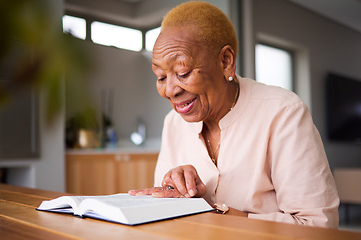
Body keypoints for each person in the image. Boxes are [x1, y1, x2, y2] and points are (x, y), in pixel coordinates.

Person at [128, 1, 339, 228]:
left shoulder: (284, 113)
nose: (170, 90)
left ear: (225, 61)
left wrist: (214, 212)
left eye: (183, 72)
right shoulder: (173, 124)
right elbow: (169, 216)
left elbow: (319, 227)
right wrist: (176, 194)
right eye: (160, 77)